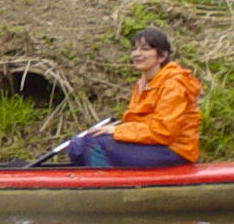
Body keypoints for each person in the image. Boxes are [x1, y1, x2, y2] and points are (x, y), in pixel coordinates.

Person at [68, 27, 201, 168]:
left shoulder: (173, 84)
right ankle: (91, 177)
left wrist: (117, 131)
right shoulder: (144, 82)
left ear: (162, 56)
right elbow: (137, 121)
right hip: (149, 143)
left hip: (173, 150)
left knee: (93, 142)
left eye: (145, 49)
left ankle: (105, 181)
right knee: (77, 146)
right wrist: (115, 128)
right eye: (134, 49)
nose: (137, 54)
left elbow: (164, 132)